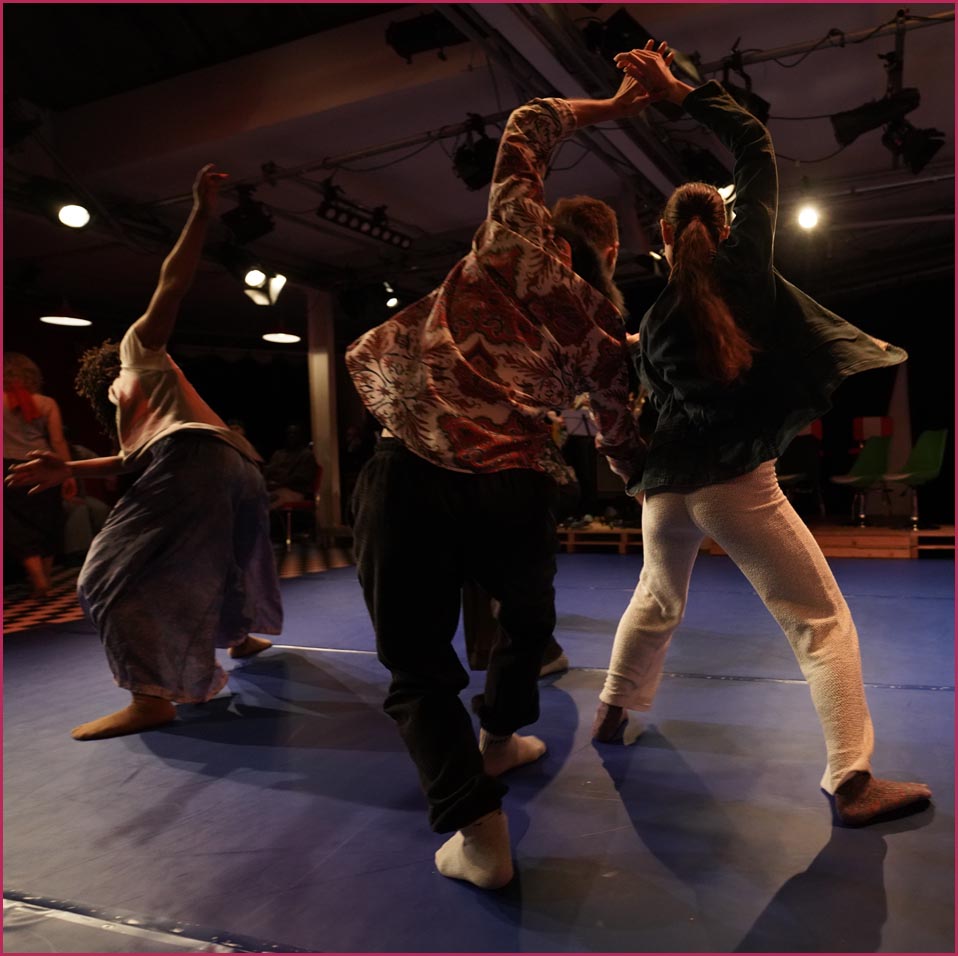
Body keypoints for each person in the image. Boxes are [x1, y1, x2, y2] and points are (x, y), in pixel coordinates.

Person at [592, 44, 931, 828]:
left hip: (664, 490)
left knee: (656, 595)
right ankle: (852, 781)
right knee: (821, 622)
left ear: (665, 238)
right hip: (734, 483)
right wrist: (680, 93)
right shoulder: (745, 267)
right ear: (725, 222)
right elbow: (754, 144)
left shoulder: (656, 318)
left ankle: (613, 707)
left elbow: (653, 406)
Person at [345, 69, 652, 889]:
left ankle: (480, 835)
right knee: (525, 621)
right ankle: (500, 736)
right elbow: (621, 440)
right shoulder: (603, 331)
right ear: (609, 254)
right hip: (513, 485)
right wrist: (648, 485)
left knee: (419, 668)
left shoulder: (513, 237)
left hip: (411, 467)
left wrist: (611, 106)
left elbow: (529, 124)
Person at [5, 165, 282, 741]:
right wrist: (68, 466)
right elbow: (135, 460)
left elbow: (170, 285)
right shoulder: (144, 401)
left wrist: (200, 213)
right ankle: (241, 637)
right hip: (238, 465)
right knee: (218, 561)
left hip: (197, 463)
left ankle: (149, 698)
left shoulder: (138, 353)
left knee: (104, 576)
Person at [3, 352, 78, 595]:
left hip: (8, 468)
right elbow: (57, 441)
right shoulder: (46, 403)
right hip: (43, 465)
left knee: (16, 525)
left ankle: (37, 578)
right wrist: (68, 472)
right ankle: (45, 576)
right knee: (47, 521)